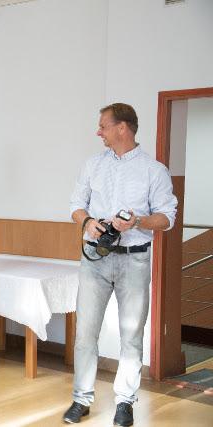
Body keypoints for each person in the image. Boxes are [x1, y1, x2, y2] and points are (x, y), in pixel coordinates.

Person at [64, 103, 177, 426]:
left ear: (122, 128)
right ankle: (81, 399)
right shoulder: (92, 165)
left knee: (131, 335)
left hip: (135, 261)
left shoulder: (154, 170)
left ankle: (125, 402)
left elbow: (167, 217)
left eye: (103, 126)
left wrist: (137, 221)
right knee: (85, 333)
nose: (98, 132)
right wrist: (88, 222)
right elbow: (75, 206)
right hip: (95, 260)